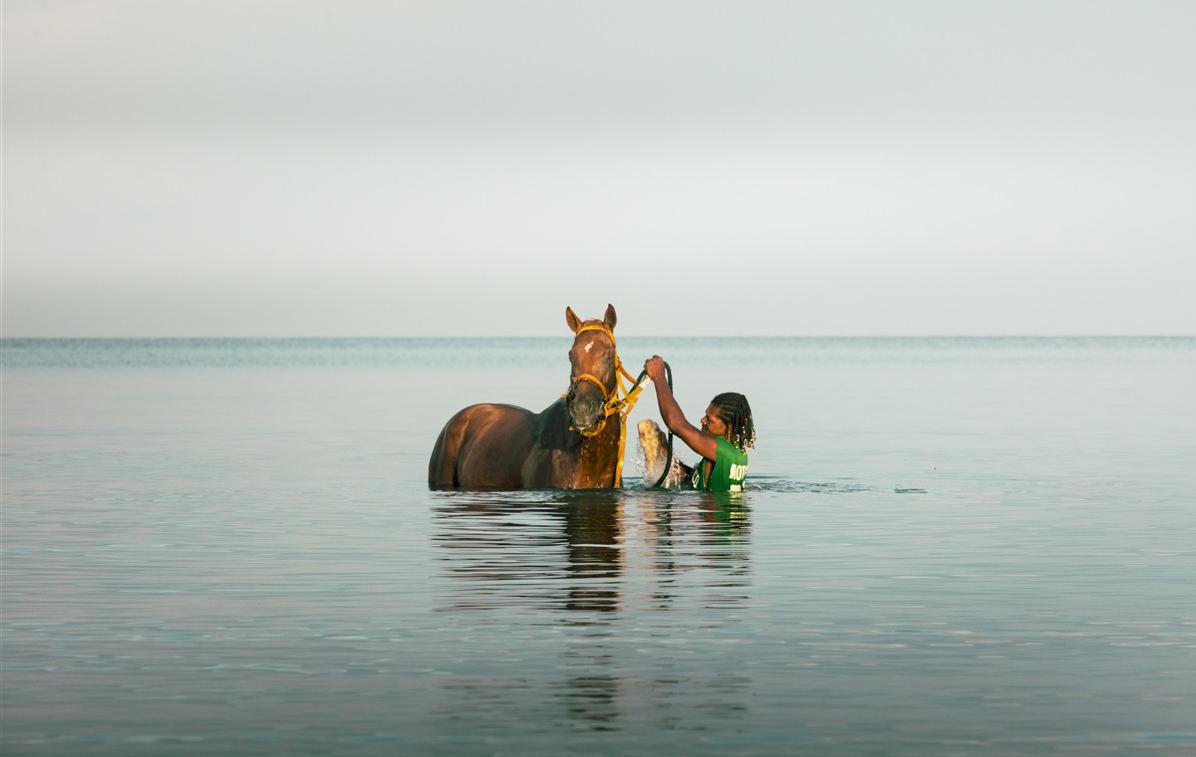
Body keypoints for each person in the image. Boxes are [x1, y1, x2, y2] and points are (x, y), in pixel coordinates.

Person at [643, 355, 756, 492]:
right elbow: (695, 480)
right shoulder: (736, 453)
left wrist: (659, 377)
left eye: (710, 419)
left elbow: (676, 424)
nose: (702, 421)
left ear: (729, 428)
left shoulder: (722, 450)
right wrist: (667, 456)